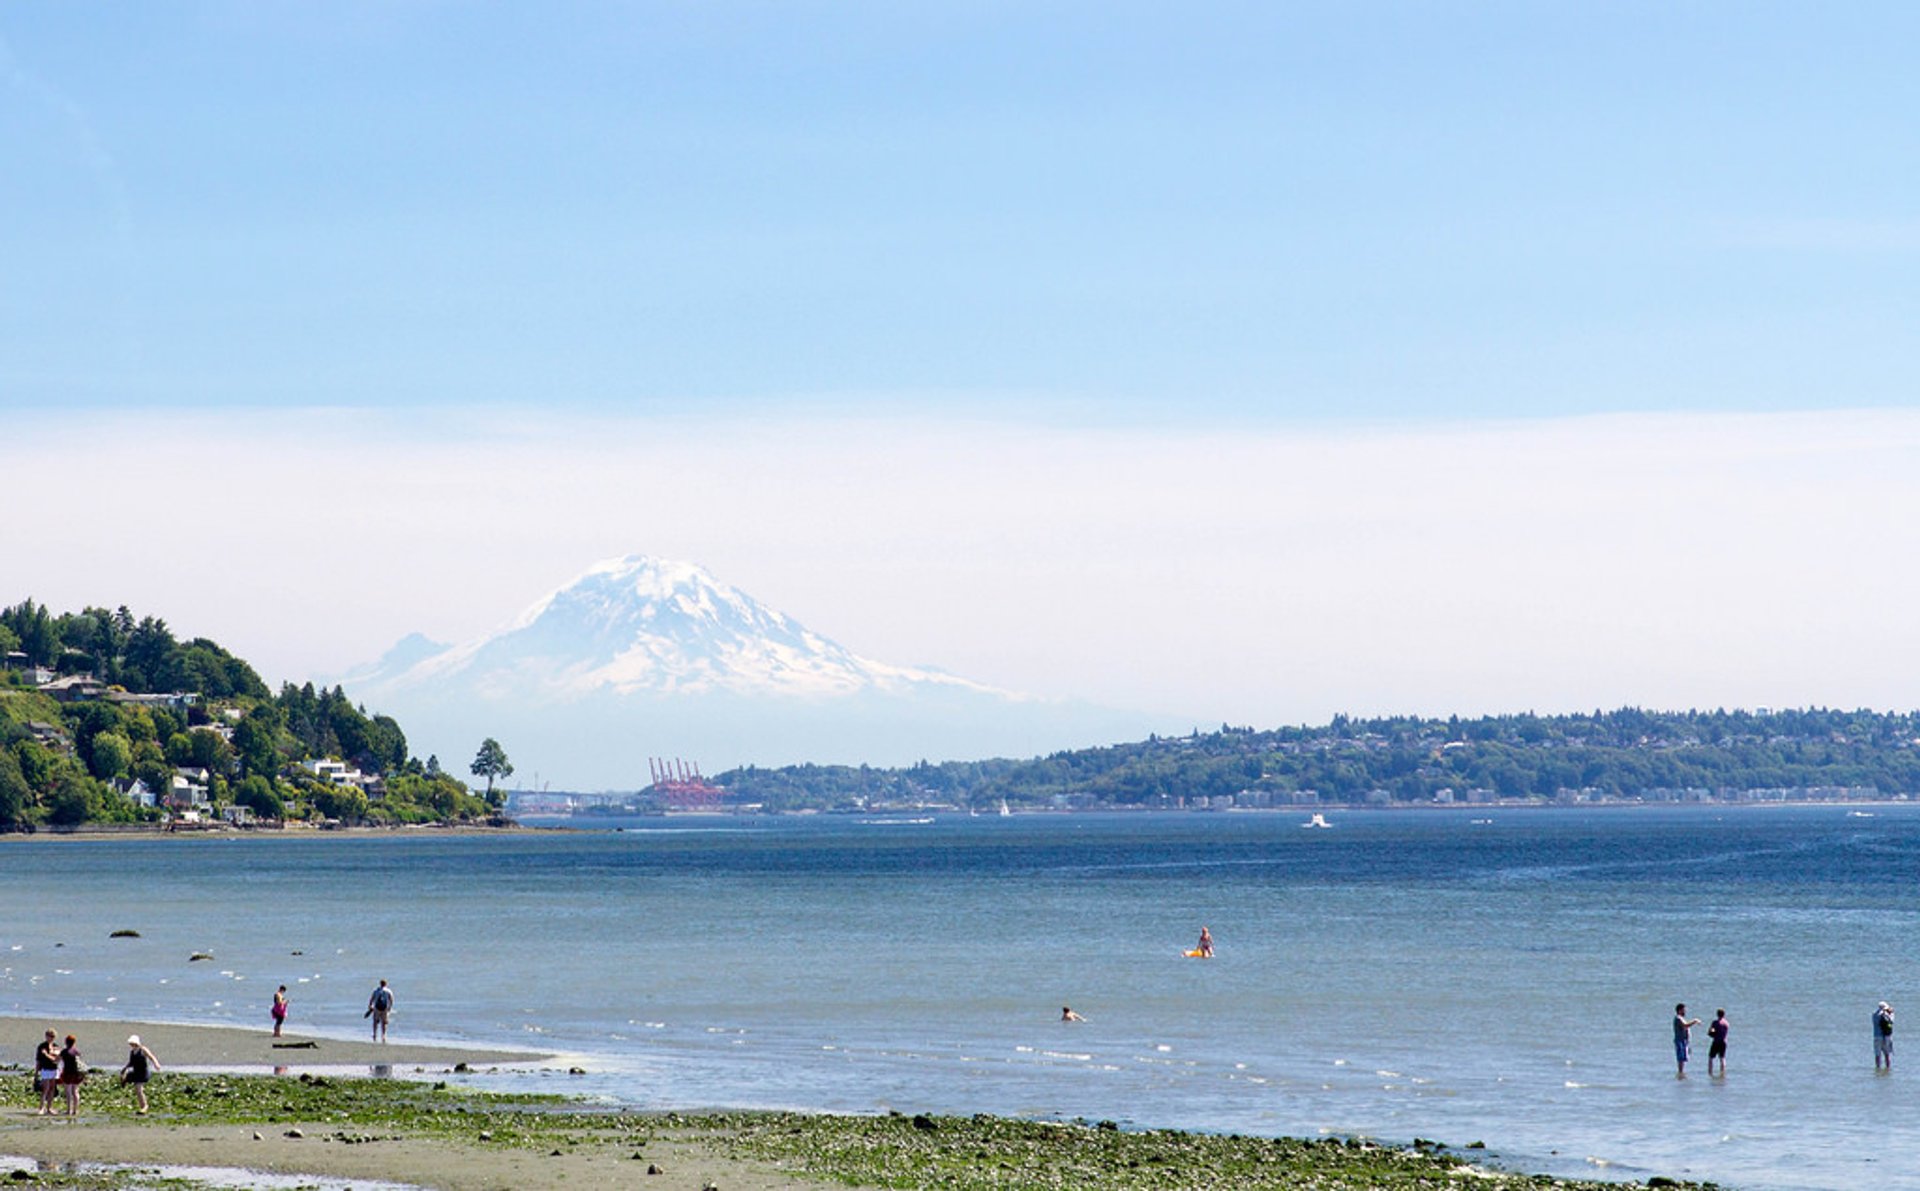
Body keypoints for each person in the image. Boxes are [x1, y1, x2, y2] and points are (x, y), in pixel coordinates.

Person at [120, 1034, 159, 1114]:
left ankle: (145, 1106)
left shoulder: (143, 1049)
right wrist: (124, 1068)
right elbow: (131, 1063)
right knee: (126, 1079)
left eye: (133, 1043)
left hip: (143, 1073)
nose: (132, 1045)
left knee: (138, 1089)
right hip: (136, 1072)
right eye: (131, 1043)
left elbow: (151, 1057)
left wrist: (156, 1064)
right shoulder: (132, 1052)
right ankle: (142, 1106)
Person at [56, 1033, 84, 1116]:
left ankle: (68, 1110)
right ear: (74, 1042)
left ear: (66, 1042)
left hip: (67, 1073)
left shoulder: (64, 1052)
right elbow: (80, 1061)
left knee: (68, 1092)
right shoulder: (76, 1051)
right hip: (76, 1073)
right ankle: (75, 1110)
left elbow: (57, 1060)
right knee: (75, 1092)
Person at [34, 1029, 60, 1116]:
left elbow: (56, 1059)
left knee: (52, 1088)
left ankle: (49, 1107)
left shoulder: (56, 1046)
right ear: (46, 1036)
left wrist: (47, 1054)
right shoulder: (42, 1046)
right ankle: (41, 1108)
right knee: (45, 1088)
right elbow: (38, 1060)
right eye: (49, 1036)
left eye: (53, 1036)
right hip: (45, 1069)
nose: (51, 1038)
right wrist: (36, 1072)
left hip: (54, 1069)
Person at [1672, 1004, 1701, 1078]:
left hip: (1684, 1041)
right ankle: (1680, 1073)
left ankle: (1681, 1073)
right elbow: (1685, 1025)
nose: (1685, 1011)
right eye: (1683, 1010)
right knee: (1681, 1058)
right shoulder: (1678, 1018)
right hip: (1680, 1041)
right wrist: (1695, 1021)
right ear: (1679, 1010)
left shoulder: (1681, 1018)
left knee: (1684, 1058)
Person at [1706, 1009, 1729, 1076]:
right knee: (1722, 1058)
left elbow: (1712, 1031)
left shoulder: (1715, 1022)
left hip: (1716, 1041)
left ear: (1717, 1014)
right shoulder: (1726, 1023)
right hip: (1724, 1041)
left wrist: (1710, 1032)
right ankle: (1722, 1073)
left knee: (1710, 1057)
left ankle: (1710, 1073)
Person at [1875, 1001, 1895, 1071]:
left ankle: (1878, 1068)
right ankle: (1888, 1068)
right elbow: (1891, 1022)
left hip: (1877, 1036)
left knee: (1877, 1054)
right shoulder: (1886, 1015)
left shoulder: (1874, 1014)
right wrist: (1891, 1013)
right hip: (1886, 1036)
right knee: (1887, 1054)